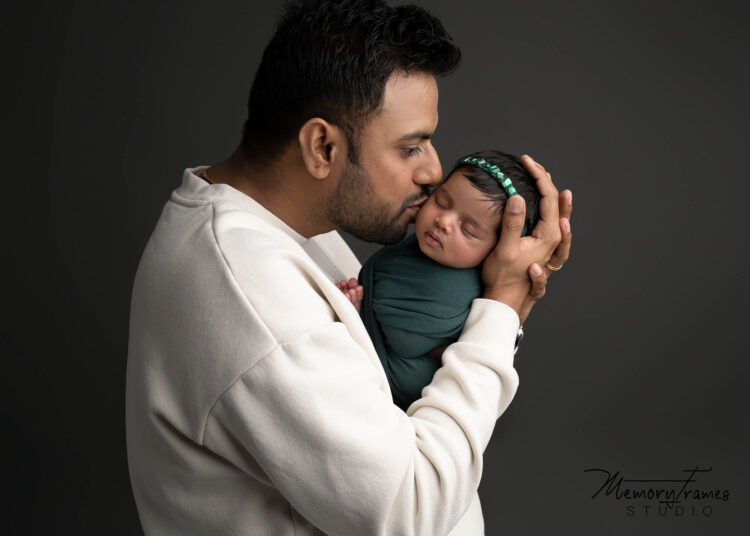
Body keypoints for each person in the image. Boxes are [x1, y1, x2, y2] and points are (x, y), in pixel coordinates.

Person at [125, 1, 573, 535]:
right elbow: (410, 511)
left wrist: (492, 297)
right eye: (411, 147)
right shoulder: (250, 290)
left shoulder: (286, 229)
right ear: (322, 146)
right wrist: (498, 311)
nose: (433, 169)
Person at [350, 150, 542, 411]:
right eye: (441, 201)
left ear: (497, 252)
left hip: (402, 404)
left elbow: (405, 338)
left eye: (468, 230)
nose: (444, 222)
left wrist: (360, 316)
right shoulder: (413, 252)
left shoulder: (456, 288)